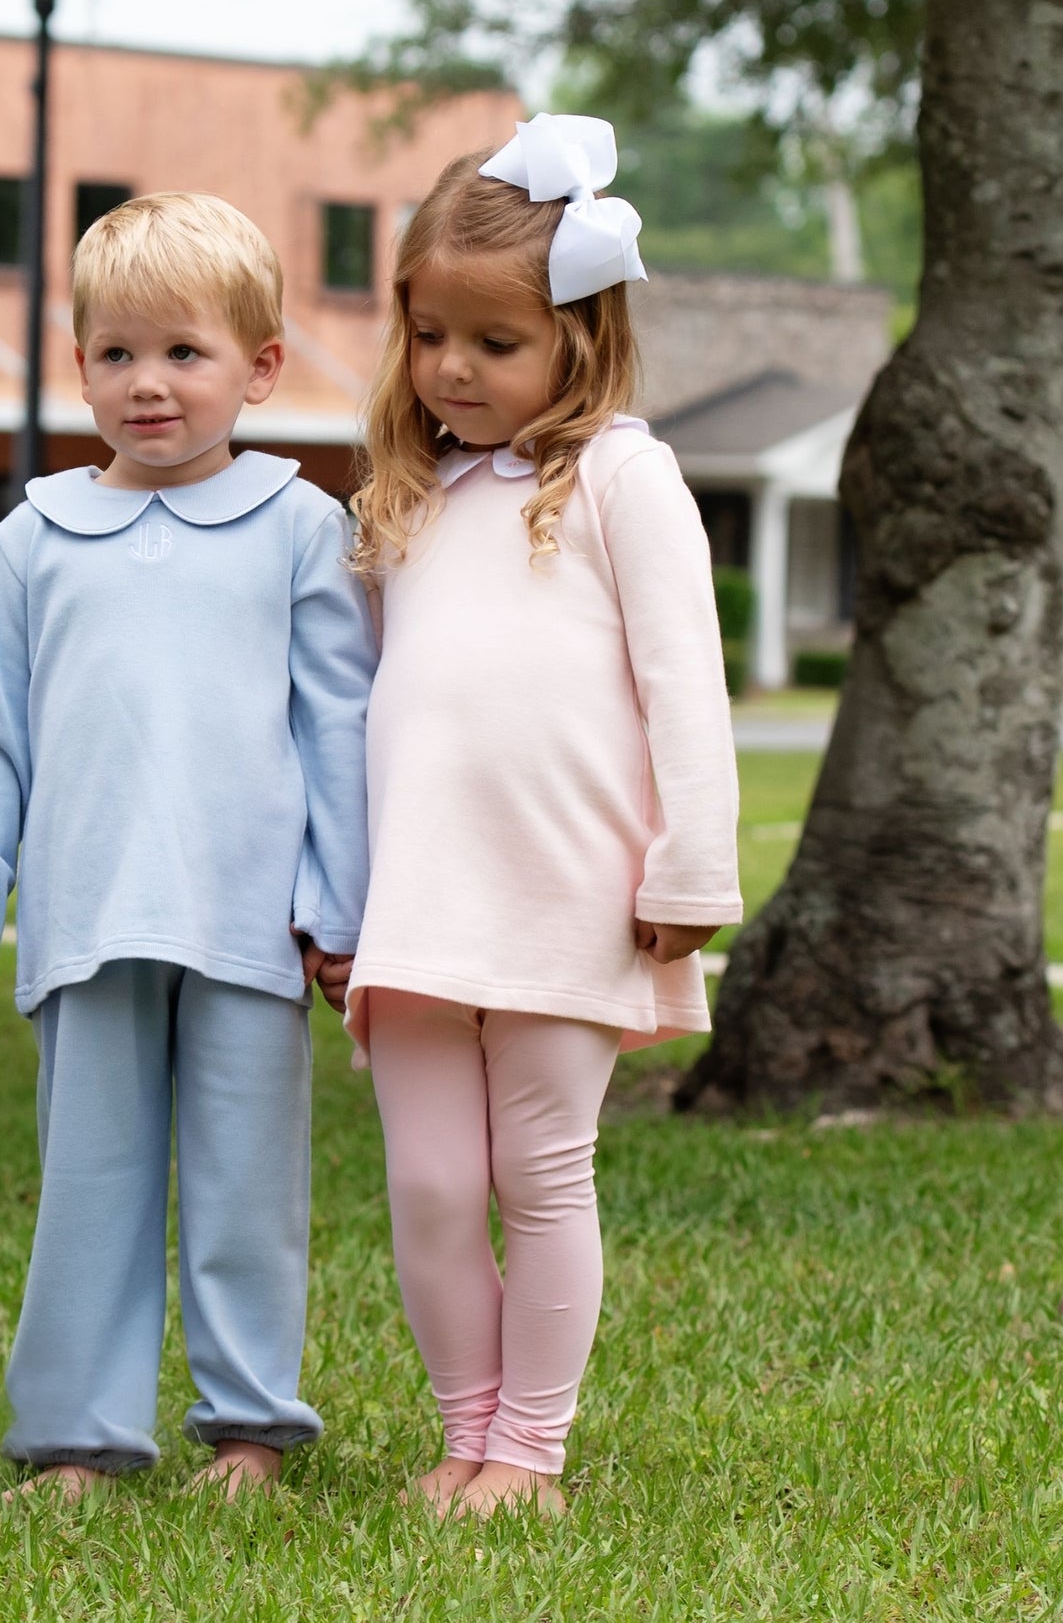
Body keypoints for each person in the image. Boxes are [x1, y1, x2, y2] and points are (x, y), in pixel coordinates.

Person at [0, 192, 374, 1502]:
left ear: (261, 366)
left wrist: (334, 906)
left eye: (184, 352)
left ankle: (248, 1431)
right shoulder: (26, 546)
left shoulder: (301, 531)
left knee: (247, 1194)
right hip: (84, 919)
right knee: (90, 1191)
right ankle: (75, 1437)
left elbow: (333, 730)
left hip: (248, 926)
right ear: (79, 367)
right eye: (117, 354)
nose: (149, 384)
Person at [345, 114, 743, 1517]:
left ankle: (529, 1451)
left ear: (582, 338)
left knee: (538, 1169)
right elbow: (367, 719)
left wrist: (692, 865)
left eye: (492, 343)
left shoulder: (623, 479)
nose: (451, 367)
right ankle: (461, 1433)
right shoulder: (402, 498)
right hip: (416, 903)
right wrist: (338, 896)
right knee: (436, 1186)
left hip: (570, 891)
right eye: (428, 333)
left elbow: (682, 685)